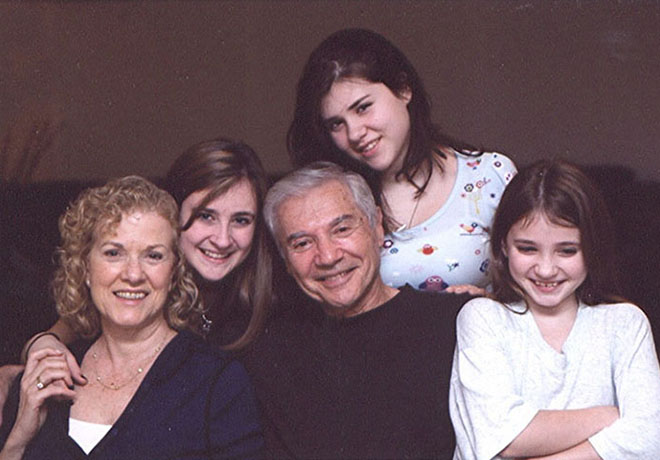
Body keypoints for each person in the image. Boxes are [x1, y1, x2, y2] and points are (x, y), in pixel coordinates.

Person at [0, 138, 275, 413]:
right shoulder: (130, 295)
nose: (223, 239)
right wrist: (40, 346)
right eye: (206, 216)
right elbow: (54, 338)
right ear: (170, 216)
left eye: (241, 220)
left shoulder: (268, 317)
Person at [242, 161, 470, 458]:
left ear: (377, 226)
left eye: (342, 229)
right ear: (284, 259)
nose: (327, 256)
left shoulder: (455, 322)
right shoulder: (268, 352)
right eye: (301, 243)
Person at [449, 160, 660, 459]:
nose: (546, 269)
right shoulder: (483, 319)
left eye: (567, 250)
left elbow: (651, 439)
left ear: (592, 247)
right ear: (503, 245)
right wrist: (608, 417)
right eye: (527, 248)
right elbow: (505, 438)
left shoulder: (626, 324)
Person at [287, 28, 517, 292]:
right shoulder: (339, 199)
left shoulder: (491, 175)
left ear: (404, 89)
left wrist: (490, 307)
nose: (355, 133)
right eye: (336, 124)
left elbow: (537, 287)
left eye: (363, 108)